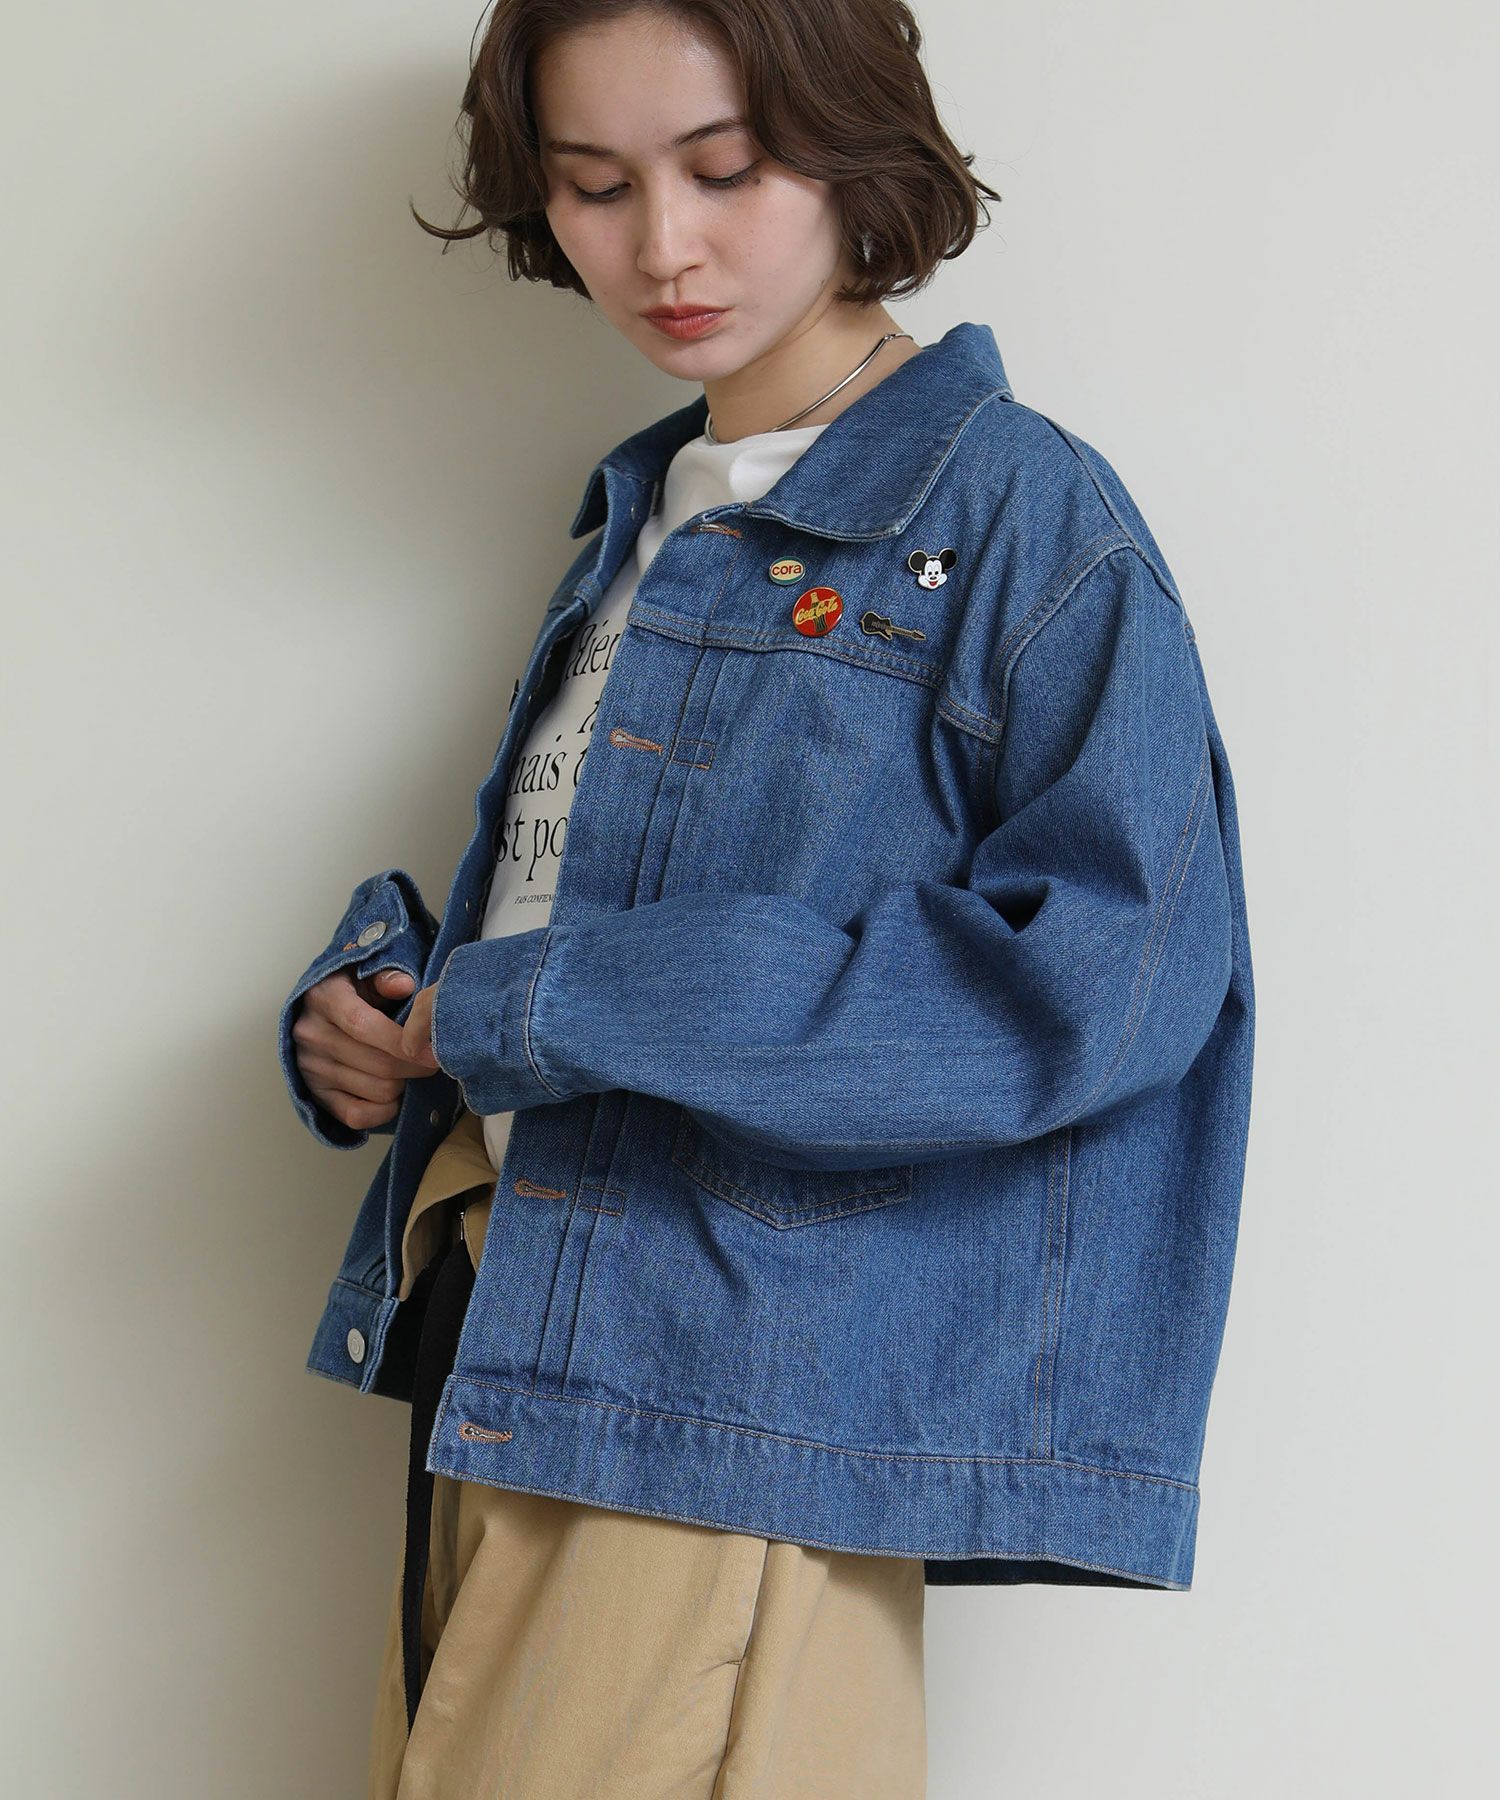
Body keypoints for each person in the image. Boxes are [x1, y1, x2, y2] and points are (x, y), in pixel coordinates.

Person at [280, 3, 1254, 1796]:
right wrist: (407, 1022)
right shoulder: (649, 516)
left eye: (726, 169)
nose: (663, 246)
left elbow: (1096, 985)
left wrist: (527, 1006)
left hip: (714, 1406)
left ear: (852, 143)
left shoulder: (1019, 522)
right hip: (511, 1342)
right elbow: (585, 923)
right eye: (596, 186)